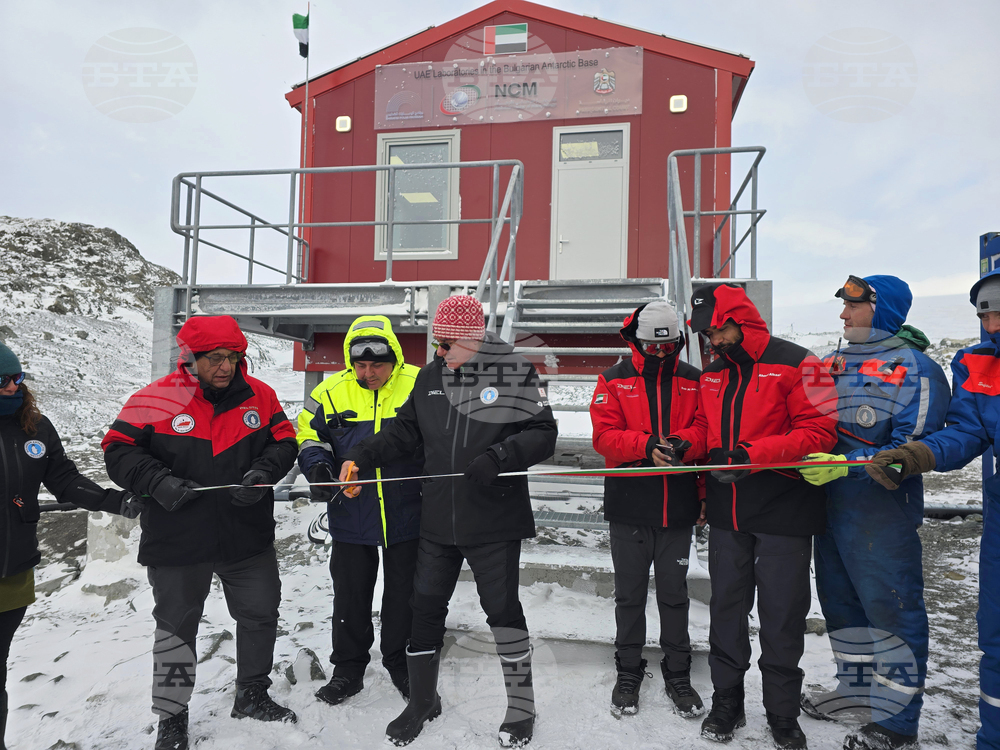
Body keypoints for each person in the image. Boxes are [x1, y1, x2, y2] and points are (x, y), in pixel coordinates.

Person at [339, 293, 557, 748]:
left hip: (493, 520)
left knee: (502, 611)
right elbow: (404, 431)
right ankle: (422, 702)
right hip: (438, 519)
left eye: (447, 343)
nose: (437, 352)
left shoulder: (515, 372)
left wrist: (500, 456)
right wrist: (361, 456)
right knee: (425, 611)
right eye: (435, 343)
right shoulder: (431, 377)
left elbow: (543, 433)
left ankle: (521, 707)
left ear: (474, 338)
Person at [102, 315, 298, 750]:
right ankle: (172, 717)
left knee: (260, 615)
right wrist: (156, 481)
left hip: (247, 537)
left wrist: (265, 472)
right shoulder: (154, 399)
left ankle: (252, 694)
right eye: (215, 358)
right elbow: (117, 451)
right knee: (176, 629)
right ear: (189, 358)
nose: (226, 367)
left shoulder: (260, 396)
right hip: (177, 542)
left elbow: (284, 441)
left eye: (233, 357)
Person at [673, 283, 838, 749]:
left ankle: (782, 712)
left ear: (741, 321)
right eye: (704, 335)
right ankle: (728, 701)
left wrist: (752, 454)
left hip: (785, 508)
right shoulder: (713, 372)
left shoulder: (802, 363)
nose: (711, 342)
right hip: (728, 511)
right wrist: (689, 443)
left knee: (782, 614)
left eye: (717, 331)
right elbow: (707, 424)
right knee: (726, 606)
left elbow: (821, 431)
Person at [797, 275, 949, 750]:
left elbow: (911, 446)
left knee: (891, 611)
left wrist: (847, 465)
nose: (842, 316)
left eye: (851, 308)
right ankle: (856, 691)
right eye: (842, 307)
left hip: (881, 513)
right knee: (841, 606)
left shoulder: (917, 369)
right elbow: (806, 416)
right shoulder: (832, 364)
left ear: (880, 311)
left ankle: (898, 724)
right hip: (831, 508)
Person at [866, 270, 1000, 750]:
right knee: (997, 636)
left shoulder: (915, 367)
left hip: (879, 513)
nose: (992, 325)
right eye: (985, 314)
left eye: (998, 312)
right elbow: (968, 430)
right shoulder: (980, 365)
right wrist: (919, 454)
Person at [0, 341, 135, 750]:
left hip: (13, 571)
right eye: (3, 381)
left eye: (17, 379)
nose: (12, 388)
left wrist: (119, 501)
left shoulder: (35, 427)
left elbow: (65, 481)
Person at [296, 315, 422, 705]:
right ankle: (348, 669)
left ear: (394, 359)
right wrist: (317, 466)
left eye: (377, 365)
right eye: (360, 365)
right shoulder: (330, 390)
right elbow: (308, 434)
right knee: (350, 594)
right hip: (351, 513)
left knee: (404, 593)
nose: (369, 373)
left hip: (410, 511)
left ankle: (400, 662)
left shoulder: (420, 383)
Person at [590, 300, 706, 718]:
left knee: (674, 595)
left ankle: (678, 672)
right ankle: (628, 669)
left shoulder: (694, 379)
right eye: (653, 347)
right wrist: (643, 446)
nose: (661, 354)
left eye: (668, 346)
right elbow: (603, 436)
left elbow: (705, 427)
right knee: (630, 595)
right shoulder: (614, 379)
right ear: (636, 341)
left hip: (677, 506)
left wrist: (683, 444)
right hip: (628, 504)